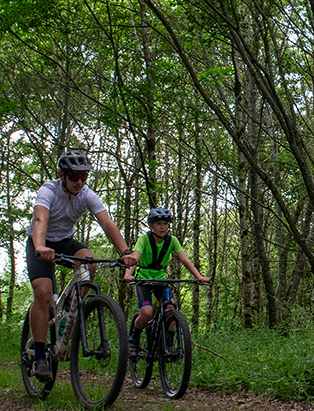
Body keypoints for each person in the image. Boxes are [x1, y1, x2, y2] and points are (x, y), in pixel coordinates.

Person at [27, 150, 140, 382]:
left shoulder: (87, 194)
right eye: (74, 176)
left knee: (89, 260)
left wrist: (125, 252)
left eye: (84, 176)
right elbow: (41, 219)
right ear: (61, 175)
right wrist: (40, 245)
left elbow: (107, 223)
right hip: (40, 242)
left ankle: (70, 309)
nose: (79, 181)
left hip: (65, 242)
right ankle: (39, 356)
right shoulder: (48, 191)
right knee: (43, 293)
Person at [123, 205, 210, 357]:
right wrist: (128, 274)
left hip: (161, 280)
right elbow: (135, 259)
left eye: (165, 223)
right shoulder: (144, 239)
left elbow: (185, 260)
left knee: (171, 309)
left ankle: (168, 345)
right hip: (143, 280)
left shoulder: (172, 241)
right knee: (147, 313)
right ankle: (134, 339)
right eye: (158, 223)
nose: (162, 227)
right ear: (151, 225)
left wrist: (199, 277)